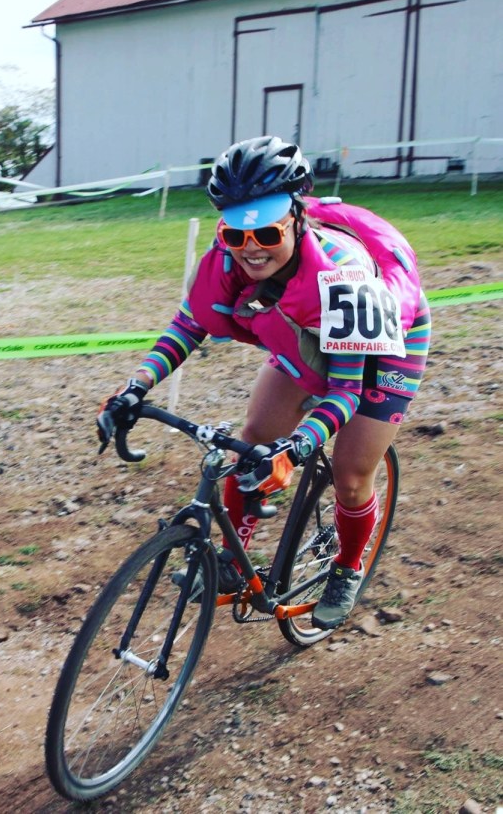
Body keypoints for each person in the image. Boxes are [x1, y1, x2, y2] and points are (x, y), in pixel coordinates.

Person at [97, 135, 430, 630]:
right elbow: (189, 324)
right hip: (308, 332)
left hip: (381, 350)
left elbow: (345, 391)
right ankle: (234, 561)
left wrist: (295, 447)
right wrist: (134, 387)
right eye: (237, 235)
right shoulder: (228, 254)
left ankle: (347, 566)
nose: (251, 249)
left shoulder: (345, 275)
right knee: (253, 440)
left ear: (297, 218)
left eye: (268, 234)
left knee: (351, 474)